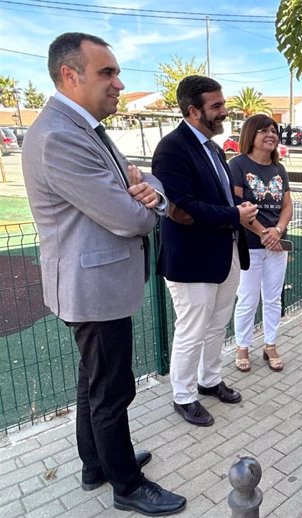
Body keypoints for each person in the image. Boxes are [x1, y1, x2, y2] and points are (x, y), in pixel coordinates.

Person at [22, 32, 185, 515]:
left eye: (116, 72)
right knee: (113, 388)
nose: (119, 83)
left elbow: (140, 182)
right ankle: (127, 484)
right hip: (89, 286)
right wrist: (146, 202)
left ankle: (97, 464)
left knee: (95, 381)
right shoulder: (60, 136)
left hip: (94, 283)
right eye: (107, 73)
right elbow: (130, 215)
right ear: (70, 76)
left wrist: (147, 191)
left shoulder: (83, 127)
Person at [152, 76, 257, 427]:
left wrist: (241, 206)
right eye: (216, 106)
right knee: (192, 329)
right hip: (191, 260)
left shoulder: (213, 148)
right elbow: (182, 207)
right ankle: (183, 397)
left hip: (224, 252)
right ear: (192, 110)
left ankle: (209, 380)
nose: (224, 111)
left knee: (216, 325)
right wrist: (234, 215)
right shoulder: (171, 148)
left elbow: (220, 197)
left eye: (222, 104)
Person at [230, 114, 293, 372]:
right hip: (250, 246)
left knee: (273, 298)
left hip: (276, 245)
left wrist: (276, 231)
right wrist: (264, 234)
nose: (271, 135)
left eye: (274, 130)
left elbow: (287, 205)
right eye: (264, 131)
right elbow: (237, 206)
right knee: (247, 299)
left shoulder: (279, 169)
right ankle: (242, 347)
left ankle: (270, 344)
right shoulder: (238, 165)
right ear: (251, 135)